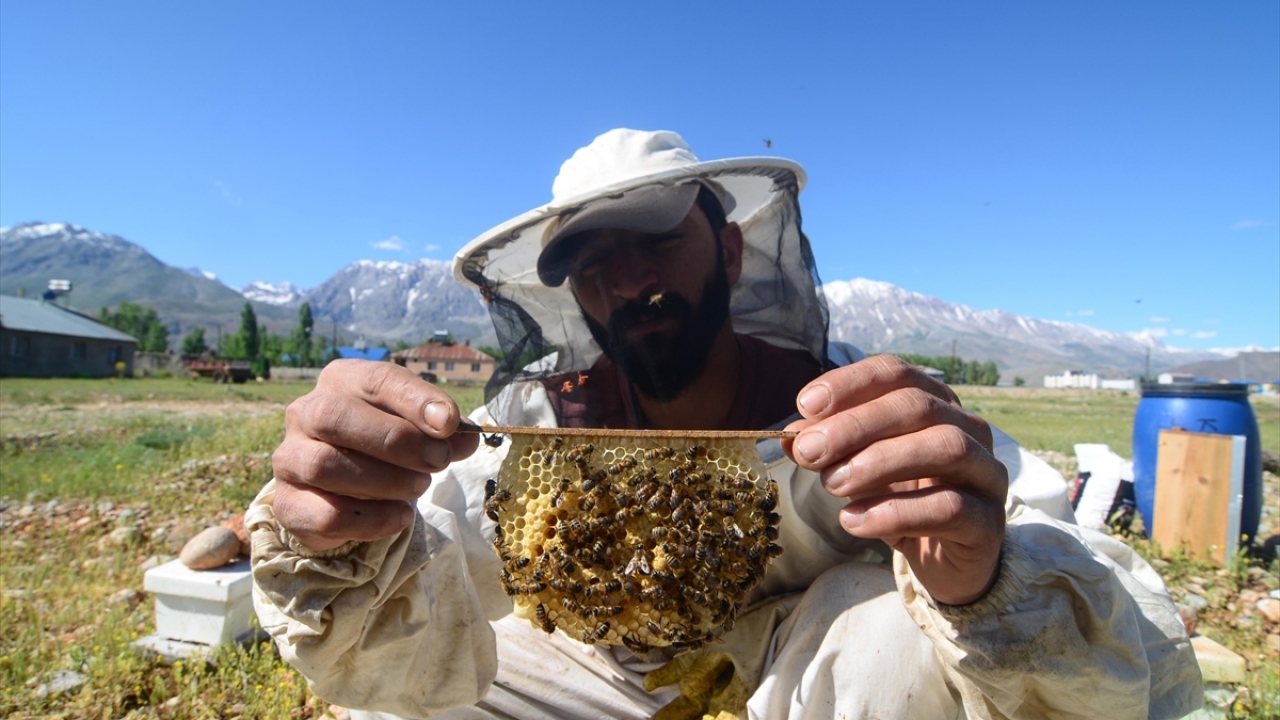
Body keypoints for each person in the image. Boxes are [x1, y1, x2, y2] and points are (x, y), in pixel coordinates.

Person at [249, 129, 1202, 719]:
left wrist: (984, 576)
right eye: (594, 263)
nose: (628, 280)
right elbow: (410, 573)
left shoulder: (846, 413)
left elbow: (1099, 616)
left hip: (812, 682)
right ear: (575, 293)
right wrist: (343, 519)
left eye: (658, 239)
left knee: (882, 635)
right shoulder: (536, 427)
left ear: (733, 248)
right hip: (609, 679)